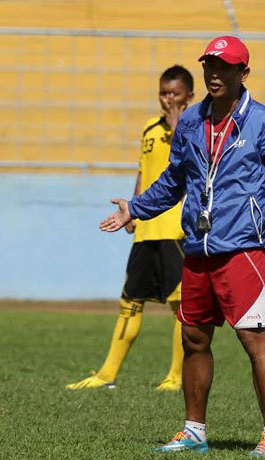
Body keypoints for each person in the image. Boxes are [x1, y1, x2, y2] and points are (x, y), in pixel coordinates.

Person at [99, 35, 265, 457]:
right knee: (194, 339)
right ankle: (193, 430)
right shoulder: (190, 122)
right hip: (199, 249)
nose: (214, 74)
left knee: (253, 340)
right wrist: (137, 209)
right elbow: (174, 180)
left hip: (244, 249)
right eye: (209, 66)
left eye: (224, 67)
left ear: (244, 73)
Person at [67, 65, 195, 392]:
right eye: (163, 93)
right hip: (146, 230)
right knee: (130, 301)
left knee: (180, 307)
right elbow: (143, 172)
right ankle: (107, 374)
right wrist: (132, 211)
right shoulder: (149, 130)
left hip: (177, 230)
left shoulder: (196, 129)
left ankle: (176, 377)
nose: (168, 100)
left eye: (175, 94)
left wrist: (178, 123)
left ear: (190, 97)